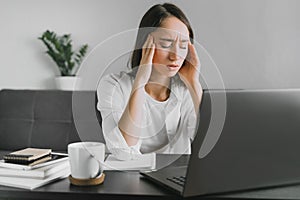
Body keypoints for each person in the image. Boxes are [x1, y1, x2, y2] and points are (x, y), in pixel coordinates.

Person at [97, 3, 203, 160]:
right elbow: (124, 151)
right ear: (145, 44)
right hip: (129, 175)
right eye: (166, 44)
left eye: (182, 46)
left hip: (176, 177)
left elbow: (206, 140)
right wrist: (141, 79)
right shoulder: (112, 85)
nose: (175, 56)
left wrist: (194, 83)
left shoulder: (186, 90)